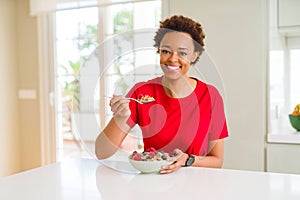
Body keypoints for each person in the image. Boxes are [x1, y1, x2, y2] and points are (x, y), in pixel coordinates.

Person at [95, 15, 229, 174]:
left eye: (183, 53)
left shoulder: (210, 96)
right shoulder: (142, 93)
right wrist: (120, 117)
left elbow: (217, 160)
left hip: (196, 186)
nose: (173, 59)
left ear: (194, 55)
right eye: (166, 51)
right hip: (153, 183)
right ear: (159, 51)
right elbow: (102, 152)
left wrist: (188, 159)